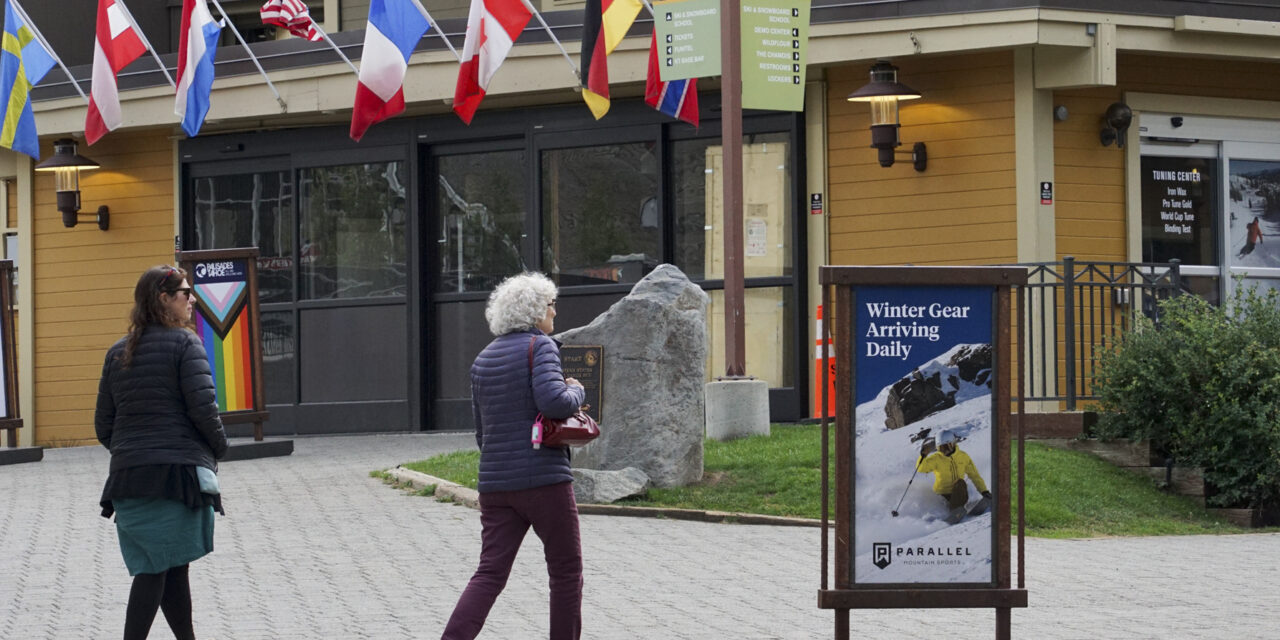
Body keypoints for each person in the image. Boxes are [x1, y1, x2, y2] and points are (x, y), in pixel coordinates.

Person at [443, 272, 586, 640]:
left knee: (489, 574)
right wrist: (577, 391)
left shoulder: (483, 359)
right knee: (566, 571)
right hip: (545, 481)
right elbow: (553, 402)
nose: (555, 312)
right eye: (551, 305)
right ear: (536, 311)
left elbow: (481, 432)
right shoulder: (541, 347)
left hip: (495, 486)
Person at [95, 265, 229, 640]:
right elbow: (203, 409)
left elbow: (103, 425)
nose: (192, 300)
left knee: (171, 567)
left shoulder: (116, 353)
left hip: (129, 478)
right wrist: (219, 448)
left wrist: (132, 451)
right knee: (156, 569)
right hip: (175, 478)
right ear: (164, 299)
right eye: (185, 293)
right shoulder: (187, 345)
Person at [916, 429, 990, 517]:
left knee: (960, 483)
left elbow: (974, 475)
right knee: (954, 488)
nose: (945, 451)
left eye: (947, 447)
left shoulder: (963, 456)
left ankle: (957, 509)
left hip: (958, 493)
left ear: (953, 444)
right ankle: (954, 511)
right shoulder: (936, 458)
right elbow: (921, 468)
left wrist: (984, 491)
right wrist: (923, 456)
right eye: (941, 448)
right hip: (942, 496)